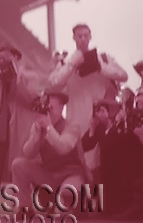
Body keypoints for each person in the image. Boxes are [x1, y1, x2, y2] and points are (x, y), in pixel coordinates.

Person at [47, 23, 128, 175]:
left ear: (90, 36)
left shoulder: (103, 58)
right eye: (79, 36)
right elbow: (54, 82)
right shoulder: (66, 62)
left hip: (100, 123)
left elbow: (123, 75)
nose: (83, 39)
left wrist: (101, 67)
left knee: (100, 171)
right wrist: (71, 65)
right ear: (74, 38)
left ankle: (97, 198)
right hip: (76, 123)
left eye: (85, 35)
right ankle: (83, 197)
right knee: (80, 170)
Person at [0, 45, 40, 192]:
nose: (1, 61)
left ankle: (32, 203)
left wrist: (18, 80)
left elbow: (31, 100)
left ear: (16, 57)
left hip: (20, 132)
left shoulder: (30, 77)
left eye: (6, 58)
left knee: (22, 168)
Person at [11, 91, 88, 212]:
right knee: (18, 164)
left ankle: (75, 204)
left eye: (51, 107)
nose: (48, 110)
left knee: (69, 192)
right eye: (46, 106)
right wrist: (36, 137)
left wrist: (48, 128)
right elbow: (27, 153)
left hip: (71, 173)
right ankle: (24, 207)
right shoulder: (39, 126)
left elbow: (63, 147)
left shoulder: (72, 126)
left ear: (61, 108)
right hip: (50, 174)